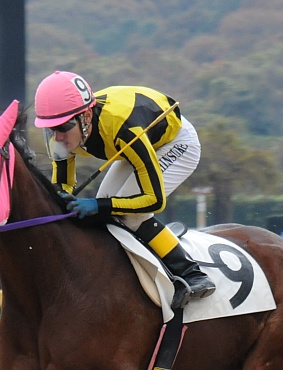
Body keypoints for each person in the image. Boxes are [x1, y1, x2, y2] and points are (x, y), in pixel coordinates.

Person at [33, 70, 216, 309]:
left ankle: (192, 274)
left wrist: (100, 205)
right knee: (105, 210)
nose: (58, 137)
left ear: (85, 116)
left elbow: (153, 200)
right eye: (50, 129)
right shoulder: (62, 136)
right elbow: (63, 186)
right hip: (135, 145)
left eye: (63, 127)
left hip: (175, 143)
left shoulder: (124, 130)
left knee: (127, 214)